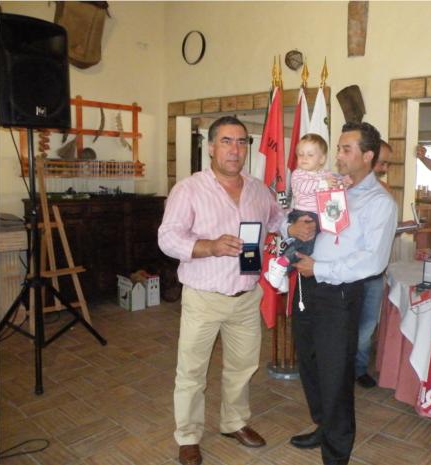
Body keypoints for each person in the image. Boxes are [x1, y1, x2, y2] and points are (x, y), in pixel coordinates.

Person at [158, 116, 297, 465]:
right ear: (210, 147)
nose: (235, 150)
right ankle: (188, 436)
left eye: (241, 142)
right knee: (191, 372)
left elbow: (277, 220)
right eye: (226, 141)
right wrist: (209, 246)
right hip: (204, 297)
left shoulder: (258, 190)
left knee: (242, 367)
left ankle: (234, 422)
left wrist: (297, 224)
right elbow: (168, 238)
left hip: (247, 297)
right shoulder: (188, 189)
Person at [288, 122, 398, 465]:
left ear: (367, 155)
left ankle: (336, 452)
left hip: (338, 292)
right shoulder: (331, 186)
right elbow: (294, 215)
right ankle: (323, 426)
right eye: (337, 148)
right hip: (307, 284)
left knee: (335, 372)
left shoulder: (380, 202)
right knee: (309, 362)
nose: (338, 155)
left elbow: (373, 260)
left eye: (346, 149)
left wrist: (320, 269)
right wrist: (292, 227)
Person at [265, 133, 334, 292]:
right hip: (303, 214)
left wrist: (344, 182)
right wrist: (324, 184)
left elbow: (335, 182)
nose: (304, 158)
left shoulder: (325, 174)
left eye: (310, 155)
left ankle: (282, 271)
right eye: (300, 154)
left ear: (322, 159)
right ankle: (281, 263)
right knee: (305, 246)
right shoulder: (298, 174)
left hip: (318, 216)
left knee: (306, 248)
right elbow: (305, 187)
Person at [355, 140, 392, 389]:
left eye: (388, 164)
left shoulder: (385, 191)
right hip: (350, 273)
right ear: (367, 158)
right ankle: (339, 369)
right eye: (382, 163)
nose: (385, 168)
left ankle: (359, 369)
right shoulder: (346, 189)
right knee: (346, 325)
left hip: (375, 273)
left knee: (368, 325)